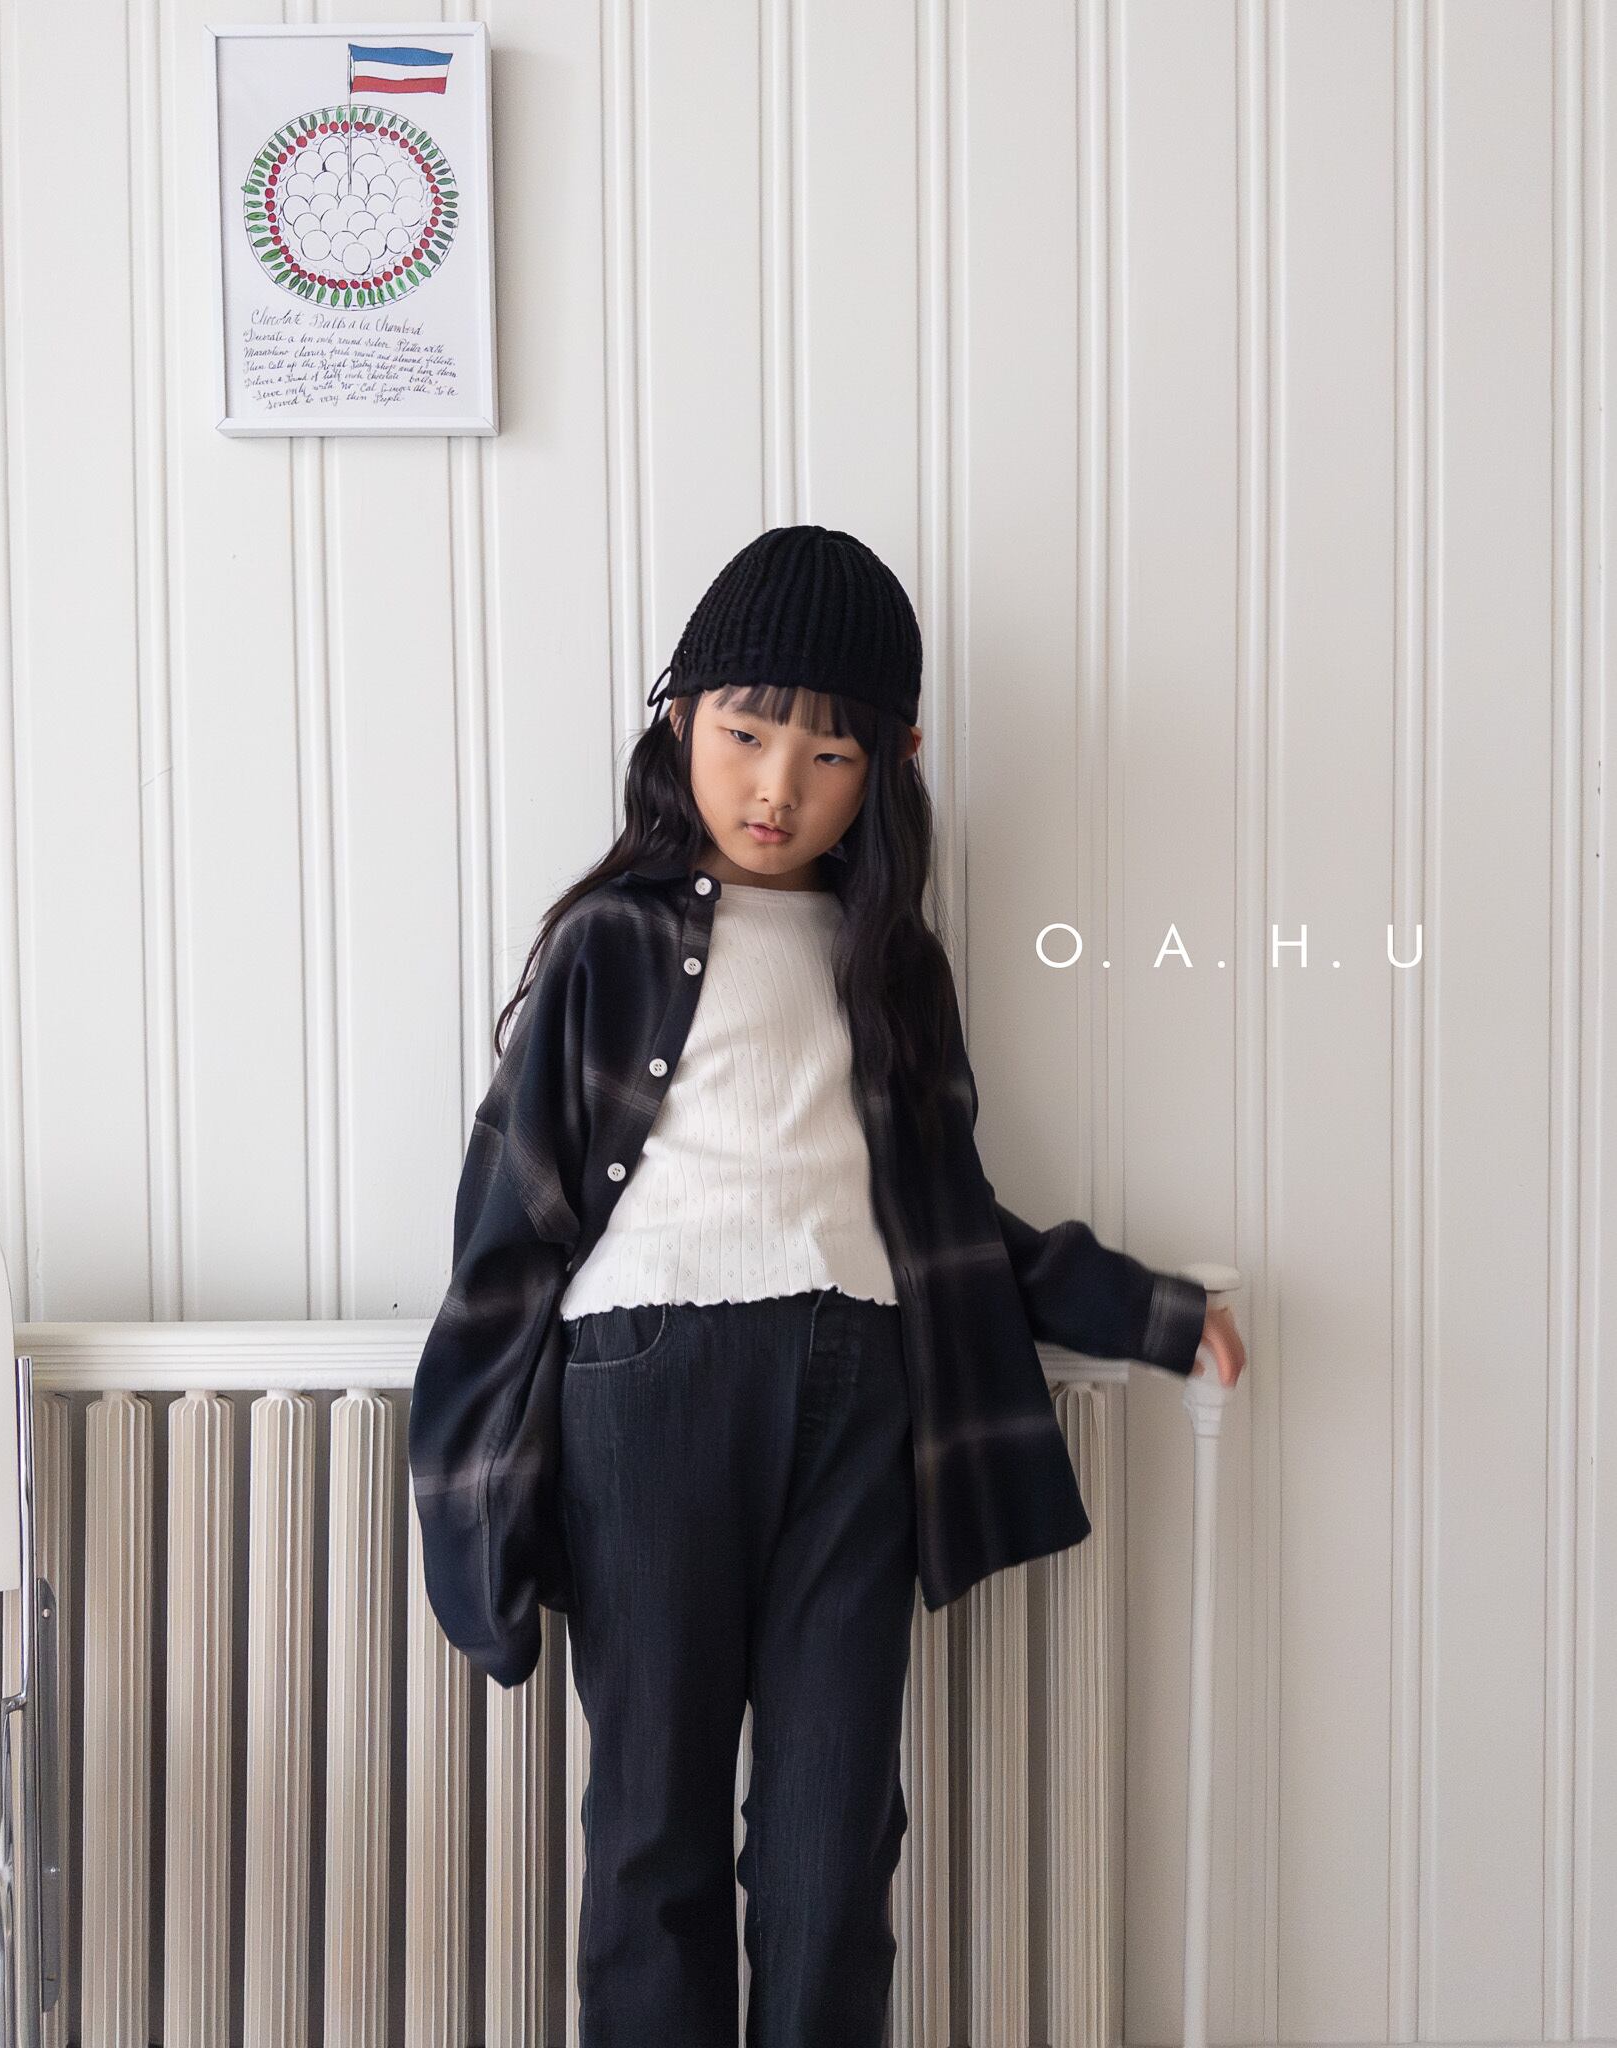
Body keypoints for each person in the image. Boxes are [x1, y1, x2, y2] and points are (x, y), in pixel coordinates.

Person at [408, 524, 1246, 2048]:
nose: (778, 785)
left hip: (864, 1402)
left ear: (893, 765)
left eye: (830, 753)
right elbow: (505, 1234)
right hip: (646, 1394)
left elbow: (952, 1224)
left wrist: (1151, 1314)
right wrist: (469, 1502)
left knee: (836, 1833)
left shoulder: (891, 967)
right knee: (652, 1826)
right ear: (680, 720)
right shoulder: (609, 943)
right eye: (746, 733)